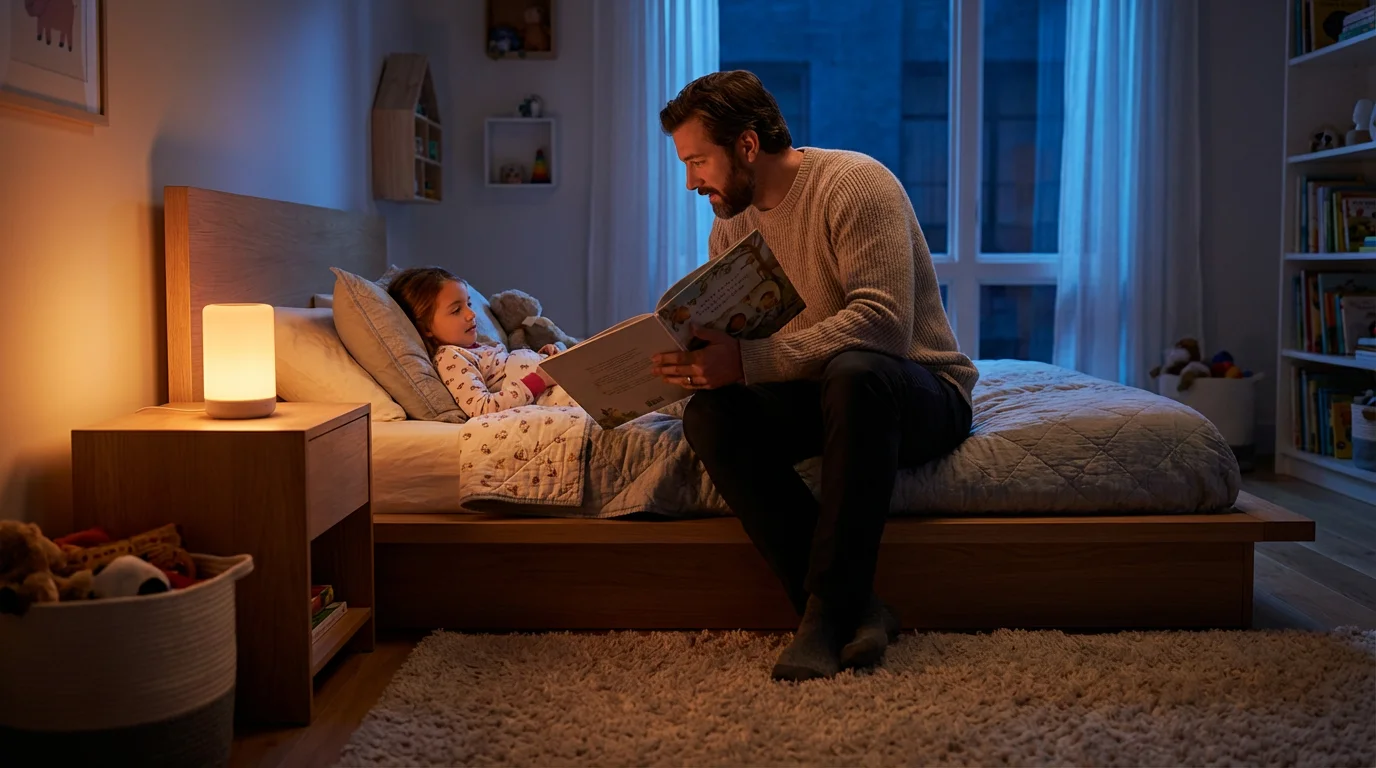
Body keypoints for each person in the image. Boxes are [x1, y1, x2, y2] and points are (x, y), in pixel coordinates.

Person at [651, 71, 978, 681]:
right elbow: (744, 336)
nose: (692, 181)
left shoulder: (854, 185)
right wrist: (693, 364)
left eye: (698, 161)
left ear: (747, 146)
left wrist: (746, 363)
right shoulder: (732, 222)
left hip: (916, 391)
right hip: (823, 396)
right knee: (712, 416)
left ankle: (825, 613)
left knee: (856, 372)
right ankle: (860, 607)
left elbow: (883, 326)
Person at [388, 267, 567, 418]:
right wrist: (539, 380)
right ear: (426, 328)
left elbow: (505, 368)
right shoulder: (451, 357)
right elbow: (482, 408)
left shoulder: (479, 347)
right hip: (554, 397)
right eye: (457, 310)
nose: (471, 314)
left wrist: (539, 355)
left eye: (469, 304)